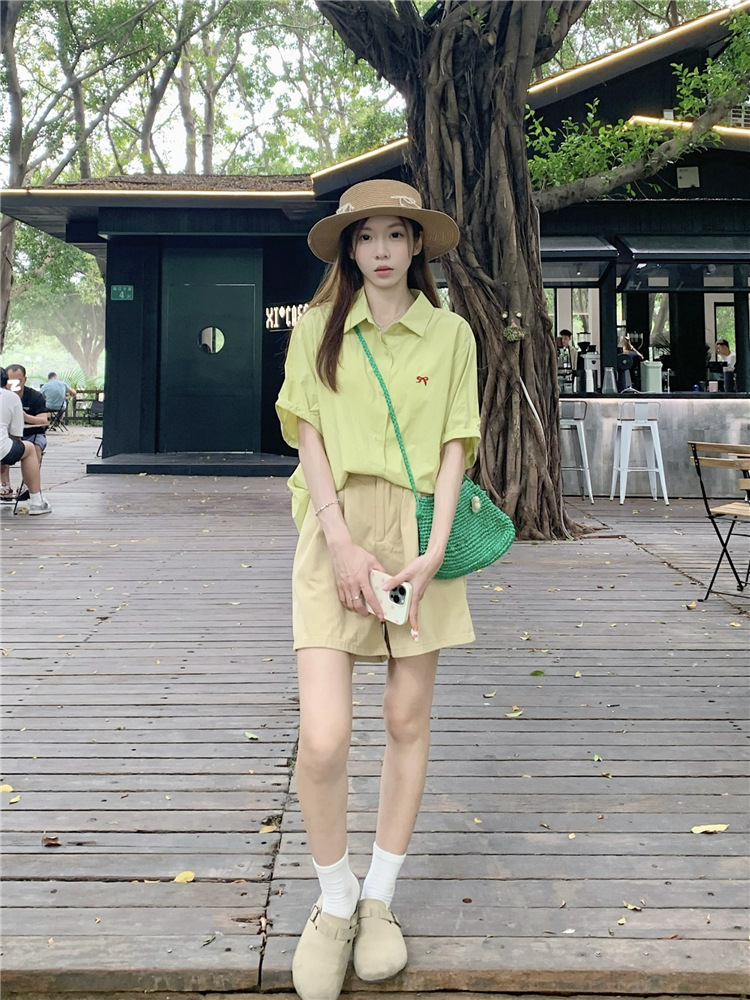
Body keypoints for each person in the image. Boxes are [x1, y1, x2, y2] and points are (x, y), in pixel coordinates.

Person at [275, 179, 480, 1000]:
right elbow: (308, 437)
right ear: (349, 249)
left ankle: (379, 898)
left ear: (417, 244)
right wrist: (340, 544)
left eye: (397, 234)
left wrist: (433, 554)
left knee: (406, 719)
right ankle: (334, 900)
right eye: (367, 237)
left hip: (420, 538)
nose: (383, 250)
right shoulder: (317, 328)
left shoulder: (452, 333)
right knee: (324, 738)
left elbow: (457, 445)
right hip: (336, 532)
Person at [0, 367, 51, 515]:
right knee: (26, 449)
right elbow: (17, 435)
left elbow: (45, 421)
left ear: (24, 380)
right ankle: (36, 500)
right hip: (11, 439)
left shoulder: (35, 396)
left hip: (33, 433)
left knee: (32, 446)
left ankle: (23, 486)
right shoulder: (11, 397)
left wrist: (27, 417)